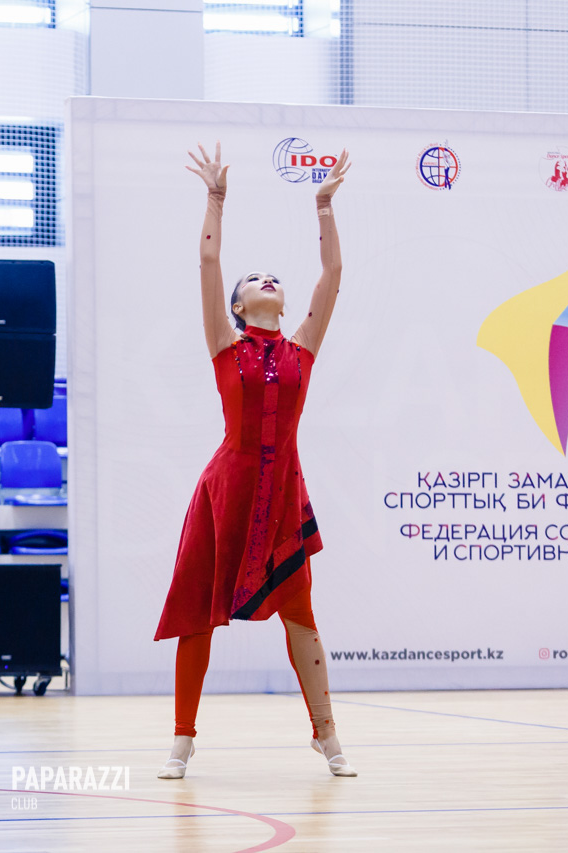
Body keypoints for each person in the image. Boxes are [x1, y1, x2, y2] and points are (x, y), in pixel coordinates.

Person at [155, 141, 356, 780]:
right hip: (227, 492)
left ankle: (328, 736)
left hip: (283, 494)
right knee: (198, 614)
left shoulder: (303, 348)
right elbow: (208, 260)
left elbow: (333, 274)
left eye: (275, 278)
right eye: (253, 280)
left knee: (301, 616)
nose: (267, 280)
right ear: (238, 307)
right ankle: (182, 741)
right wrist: (216, 198)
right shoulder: (225, 345)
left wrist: (323, 206)